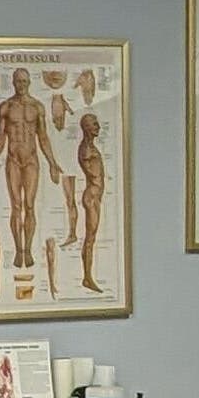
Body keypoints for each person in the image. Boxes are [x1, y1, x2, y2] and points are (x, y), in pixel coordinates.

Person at [0, 67, 57, 278]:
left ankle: (29, 249)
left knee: (30, 205)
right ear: (13, 83)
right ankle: (18, 250)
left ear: (29, 82)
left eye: (24, 81)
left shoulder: (37, 107)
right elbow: (0, 138)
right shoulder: (6, 107)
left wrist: (52, 162)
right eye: (18, 81)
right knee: (16, 205)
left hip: (31, 160)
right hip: (13, 160)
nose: (21, 85)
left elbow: (43, 137)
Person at [74, 111, 110, 295]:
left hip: (96, 194)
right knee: (90, 239)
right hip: (92, 196)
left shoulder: (90, 147)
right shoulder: (86, 149)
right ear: (87, 128)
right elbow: (89, 169)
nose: (98, 127)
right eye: (94, 124)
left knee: (91, 238)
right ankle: (87, 277)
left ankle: (87, 276)